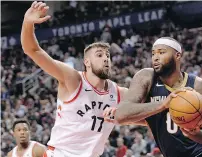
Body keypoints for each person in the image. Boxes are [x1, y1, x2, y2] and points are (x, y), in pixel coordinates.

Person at [21, 2, 145, 157]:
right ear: (86, 62)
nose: (106, 59)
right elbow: (32, 50)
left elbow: (148, 119)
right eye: (99, 55)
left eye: (108, 55)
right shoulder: (73, 79)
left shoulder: (120, 93)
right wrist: (27, 23)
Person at [104, 37, 202, 157]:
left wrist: (195, 134)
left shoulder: (200, 86)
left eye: (161, 52)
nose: (155, 57)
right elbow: (121, 115)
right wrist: (163, 104)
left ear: (177, 55)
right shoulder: (146, 77)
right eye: (153, 53)